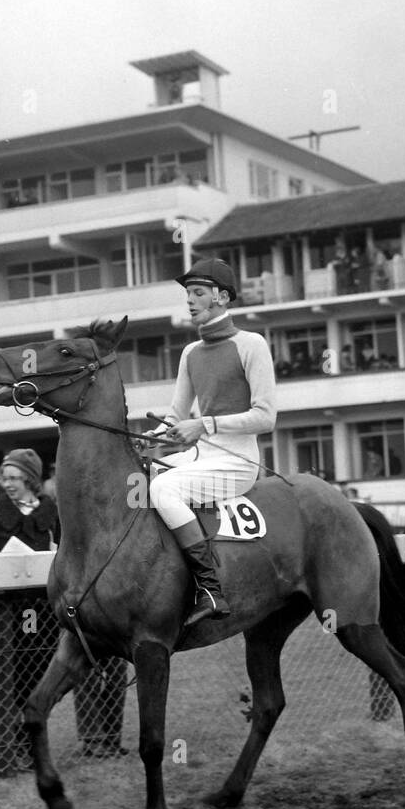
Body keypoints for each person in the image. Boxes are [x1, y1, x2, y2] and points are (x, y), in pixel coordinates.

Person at [146, 258, 276, 627]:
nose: (190, 300)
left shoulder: (252, 344)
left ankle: (210, 589)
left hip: (238, 463)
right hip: (201, 457)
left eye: (198, 293)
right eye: (188, 293)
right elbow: (175, 416)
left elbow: (266, 417)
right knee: (142, 475)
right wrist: (149, 439)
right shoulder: (190, 353)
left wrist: (204, 424)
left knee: (164, 490)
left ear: (221, 297)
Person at [0, 448, 61, 777]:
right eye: (4, 478)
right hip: (3, 614)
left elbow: (66, 552)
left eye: (13, 478)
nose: (6, 483)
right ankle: (6, 751)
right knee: (4, 682)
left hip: (42, 612)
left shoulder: (50, 511)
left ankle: (31, 747)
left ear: (30, 479)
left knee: (36, 681)